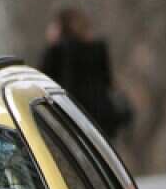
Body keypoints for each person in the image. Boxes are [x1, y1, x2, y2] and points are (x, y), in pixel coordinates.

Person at [40, 8, 128, 139]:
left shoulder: (57, 52)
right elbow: (108, 82)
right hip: (102, 117)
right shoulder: (98, 49)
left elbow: (43, 82)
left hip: (73, 115)